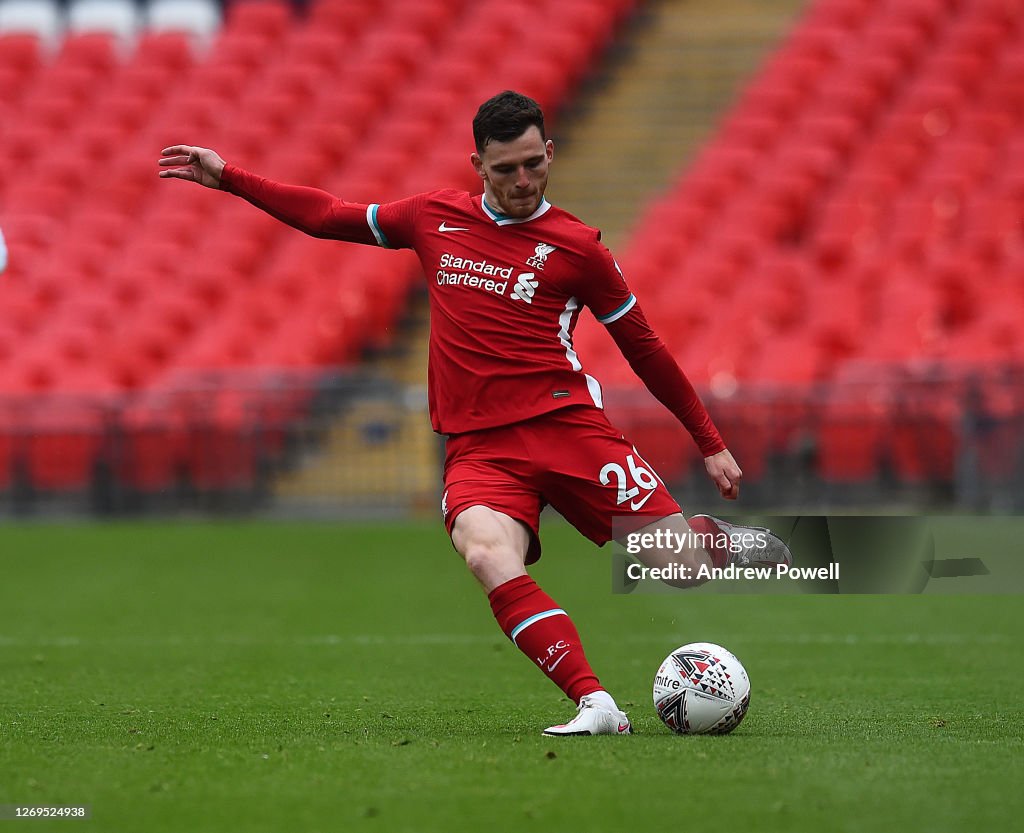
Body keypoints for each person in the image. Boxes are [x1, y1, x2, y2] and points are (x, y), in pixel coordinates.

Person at [158, 90, 791, 736]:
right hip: (480, 447)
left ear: (550, 153)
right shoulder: (433, 217)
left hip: (567, 429)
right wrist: (231, 178)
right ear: (477, 165)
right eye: (505, 169)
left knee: (681, 570)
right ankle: (596, 703)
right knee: (487, 554)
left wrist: (708, 440)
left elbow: (645, 348)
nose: (523, 180)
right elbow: (327, 215)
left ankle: (753, 544)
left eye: (532, 164)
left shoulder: (579, 249)